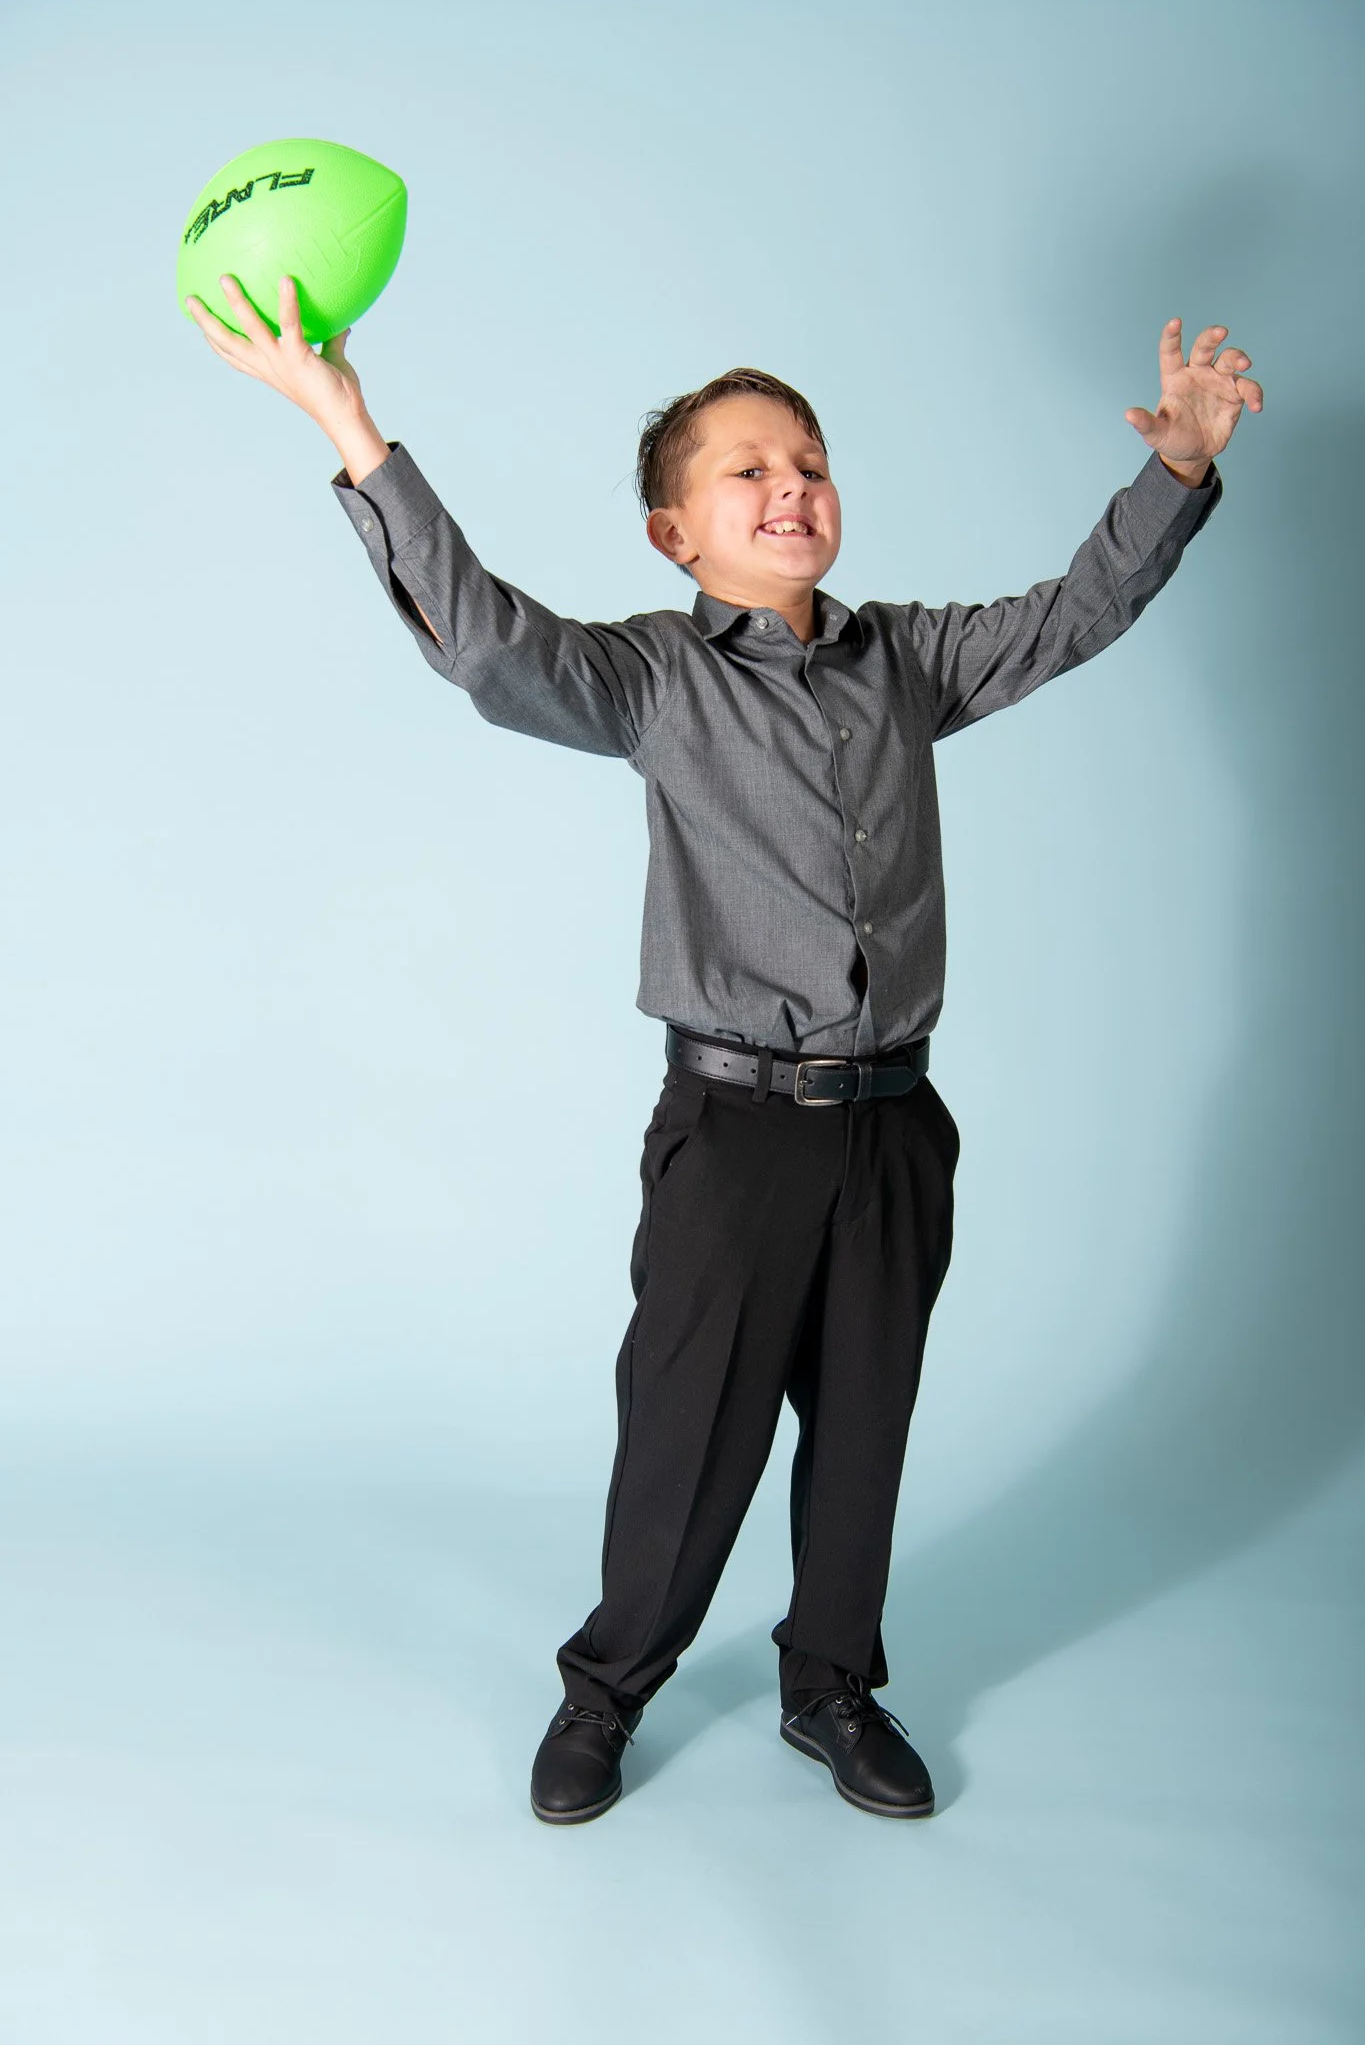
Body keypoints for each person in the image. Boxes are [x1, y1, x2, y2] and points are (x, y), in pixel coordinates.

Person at [186, 276, 1261, 1823]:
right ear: (673, 535)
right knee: (690, 1436)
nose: (790, 485)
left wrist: (1179, 466)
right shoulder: (655, 677)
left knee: (865, 1426)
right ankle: (606, 1691)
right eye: (746, 469)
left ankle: (831, 1687)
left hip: (896, 1122)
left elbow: (1073, 613)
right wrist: (350, 424)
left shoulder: (908, 660)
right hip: (736, 1130)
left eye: (809, 461)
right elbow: (485, 646)